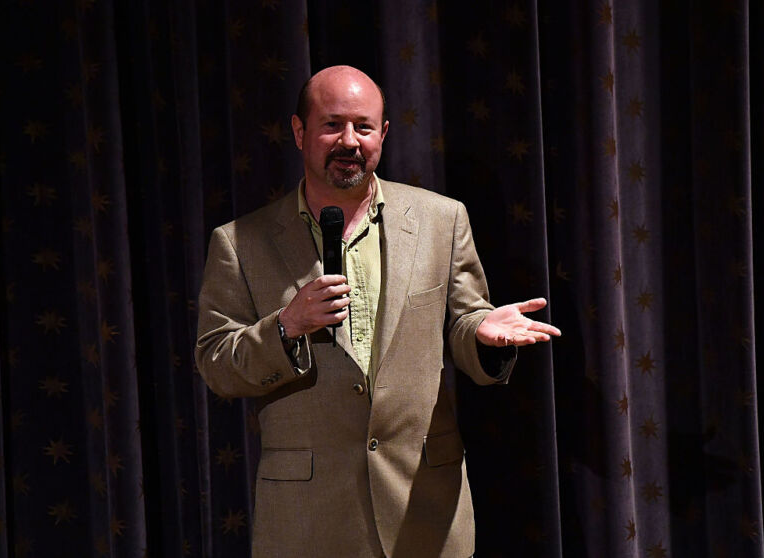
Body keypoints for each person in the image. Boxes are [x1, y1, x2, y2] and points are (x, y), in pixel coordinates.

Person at [195, 65, 561, 558]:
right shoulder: (239, 243)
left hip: (423, 509)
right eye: (331, 125)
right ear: (299, 131)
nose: (349, 140)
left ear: (383, 133)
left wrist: (480, 333)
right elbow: (217, 362)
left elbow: (462, 320)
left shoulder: (441, 219)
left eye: (363, 127)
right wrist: (287, 326)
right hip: (308, 519)